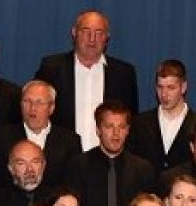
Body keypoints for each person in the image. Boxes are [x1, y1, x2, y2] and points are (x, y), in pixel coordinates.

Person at [34, 10, 139, 150]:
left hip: (108, 157)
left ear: (107, 37)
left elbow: (131, 119)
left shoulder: (124, 73)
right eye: (86, 31)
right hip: (62, 156)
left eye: (99, 32)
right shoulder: (51, 68)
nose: (92, 38)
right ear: (74, 33)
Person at [64, 100, 156, 206]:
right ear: (98, 130)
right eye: (109, 127)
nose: (116, 133)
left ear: (128, 130)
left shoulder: (143, 170)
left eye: (121, 127)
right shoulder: (78, 166)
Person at [126, 59, 196, 174]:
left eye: (171, 87)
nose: (164, 94)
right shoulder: (139, 124)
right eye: (160, 87)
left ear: (183, 87)